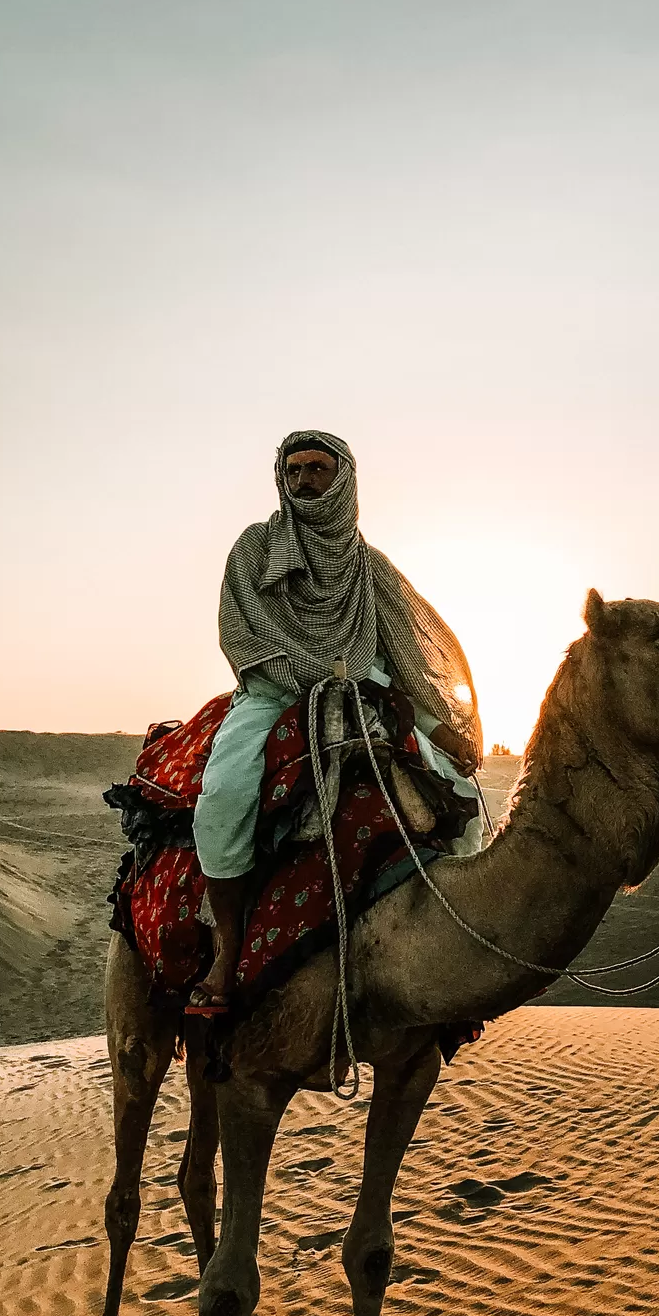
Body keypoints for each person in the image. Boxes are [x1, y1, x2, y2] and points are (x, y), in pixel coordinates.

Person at [190, 429, 481, 1007]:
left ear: (344, 478)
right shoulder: (253, 551)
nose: (305, 481)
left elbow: (403, 655)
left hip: (367, 691)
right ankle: (227, 952)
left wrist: (440, 722)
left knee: (454, 786)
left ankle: (454, 947)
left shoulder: (371, 568)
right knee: (223, 796)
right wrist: (312, 677)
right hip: (273, 692)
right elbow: (241, 638)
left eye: (318, 469)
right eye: (294, 471)